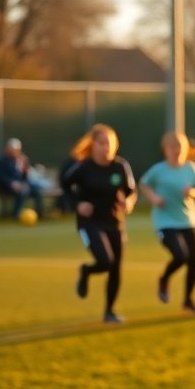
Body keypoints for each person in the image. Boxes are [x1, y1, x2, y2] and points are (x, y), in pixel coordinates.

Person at [60, 124, 137, 324]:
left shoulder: (120, 167)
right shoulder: (83, 168)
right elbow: (65, 186)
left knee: (115, 268)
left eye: (110, 143)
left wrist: (127, 202)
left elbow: (131, 192)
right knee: (105, 261)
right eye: (102, 143)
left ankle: (109, 311)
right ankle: (86, 271)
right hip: (90, 223)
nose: (106, 148)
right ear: (93, 145)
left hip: (115, 222)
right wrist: (78, 205)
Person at [139, 132, 195, 315]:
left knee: (194, 263)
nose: (176, 150)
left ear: (186, 149)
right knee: (180, 255)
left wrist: (193, 192)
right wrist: (154, 198)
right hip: (165, 222)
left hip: (188, 220)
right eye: (172, 146)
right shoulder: (158, 170)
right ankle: (164, 278)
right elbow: (144, 184)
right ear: (165, 149)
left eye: (179, 146)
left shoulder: (192, 169)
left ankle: (188, 301)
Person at [0, 137, 45, 219]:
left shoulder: (20, 160)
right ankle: (16, 214)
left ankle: (40, 214)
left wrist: (25, 168)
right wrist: (12, 183)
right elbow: (1, 177)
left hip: (22, 185)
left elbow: (24, 177)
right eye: (13, 149)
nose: (15, 152)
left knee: (37, 191)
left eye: (17, 150)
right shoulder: (2, 162)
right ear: (8, 149)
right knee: (23, 191)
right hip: (7, 186)